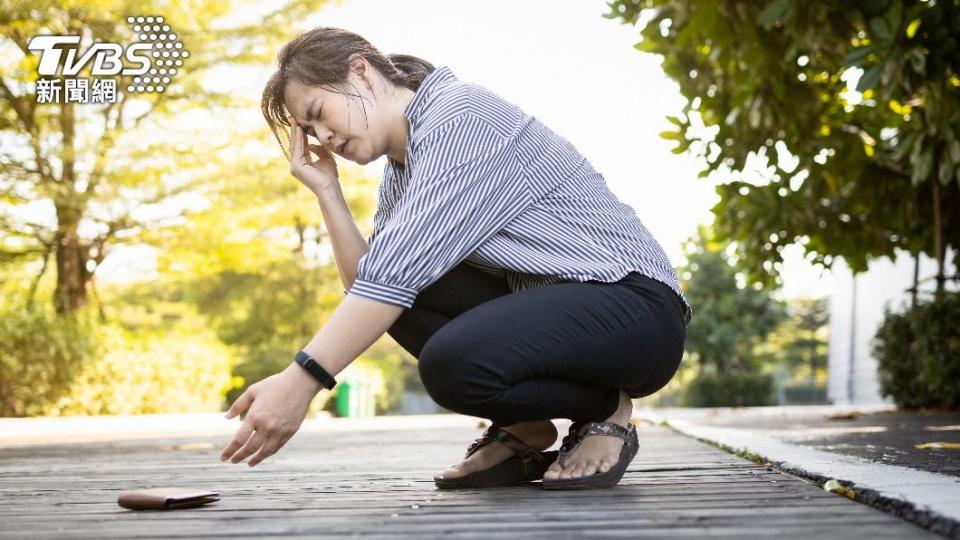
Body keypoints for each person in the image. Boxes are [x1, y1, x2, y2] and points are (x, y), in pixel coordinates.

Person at [220, 27, 693, 490]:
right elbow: (368, 283)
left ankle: (604, 408)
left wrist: (301, 381)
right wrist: (328, 190)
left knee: (451, 365)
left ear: (360, 72)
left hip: (633, 309)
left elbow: (387, 280)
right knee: (398, 297)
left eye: (319, 112)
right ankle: (525, 427)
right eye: (309, 131)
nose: (323, 137)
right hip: (562, 312)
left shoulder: (459, 117)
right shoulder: (403, 170)